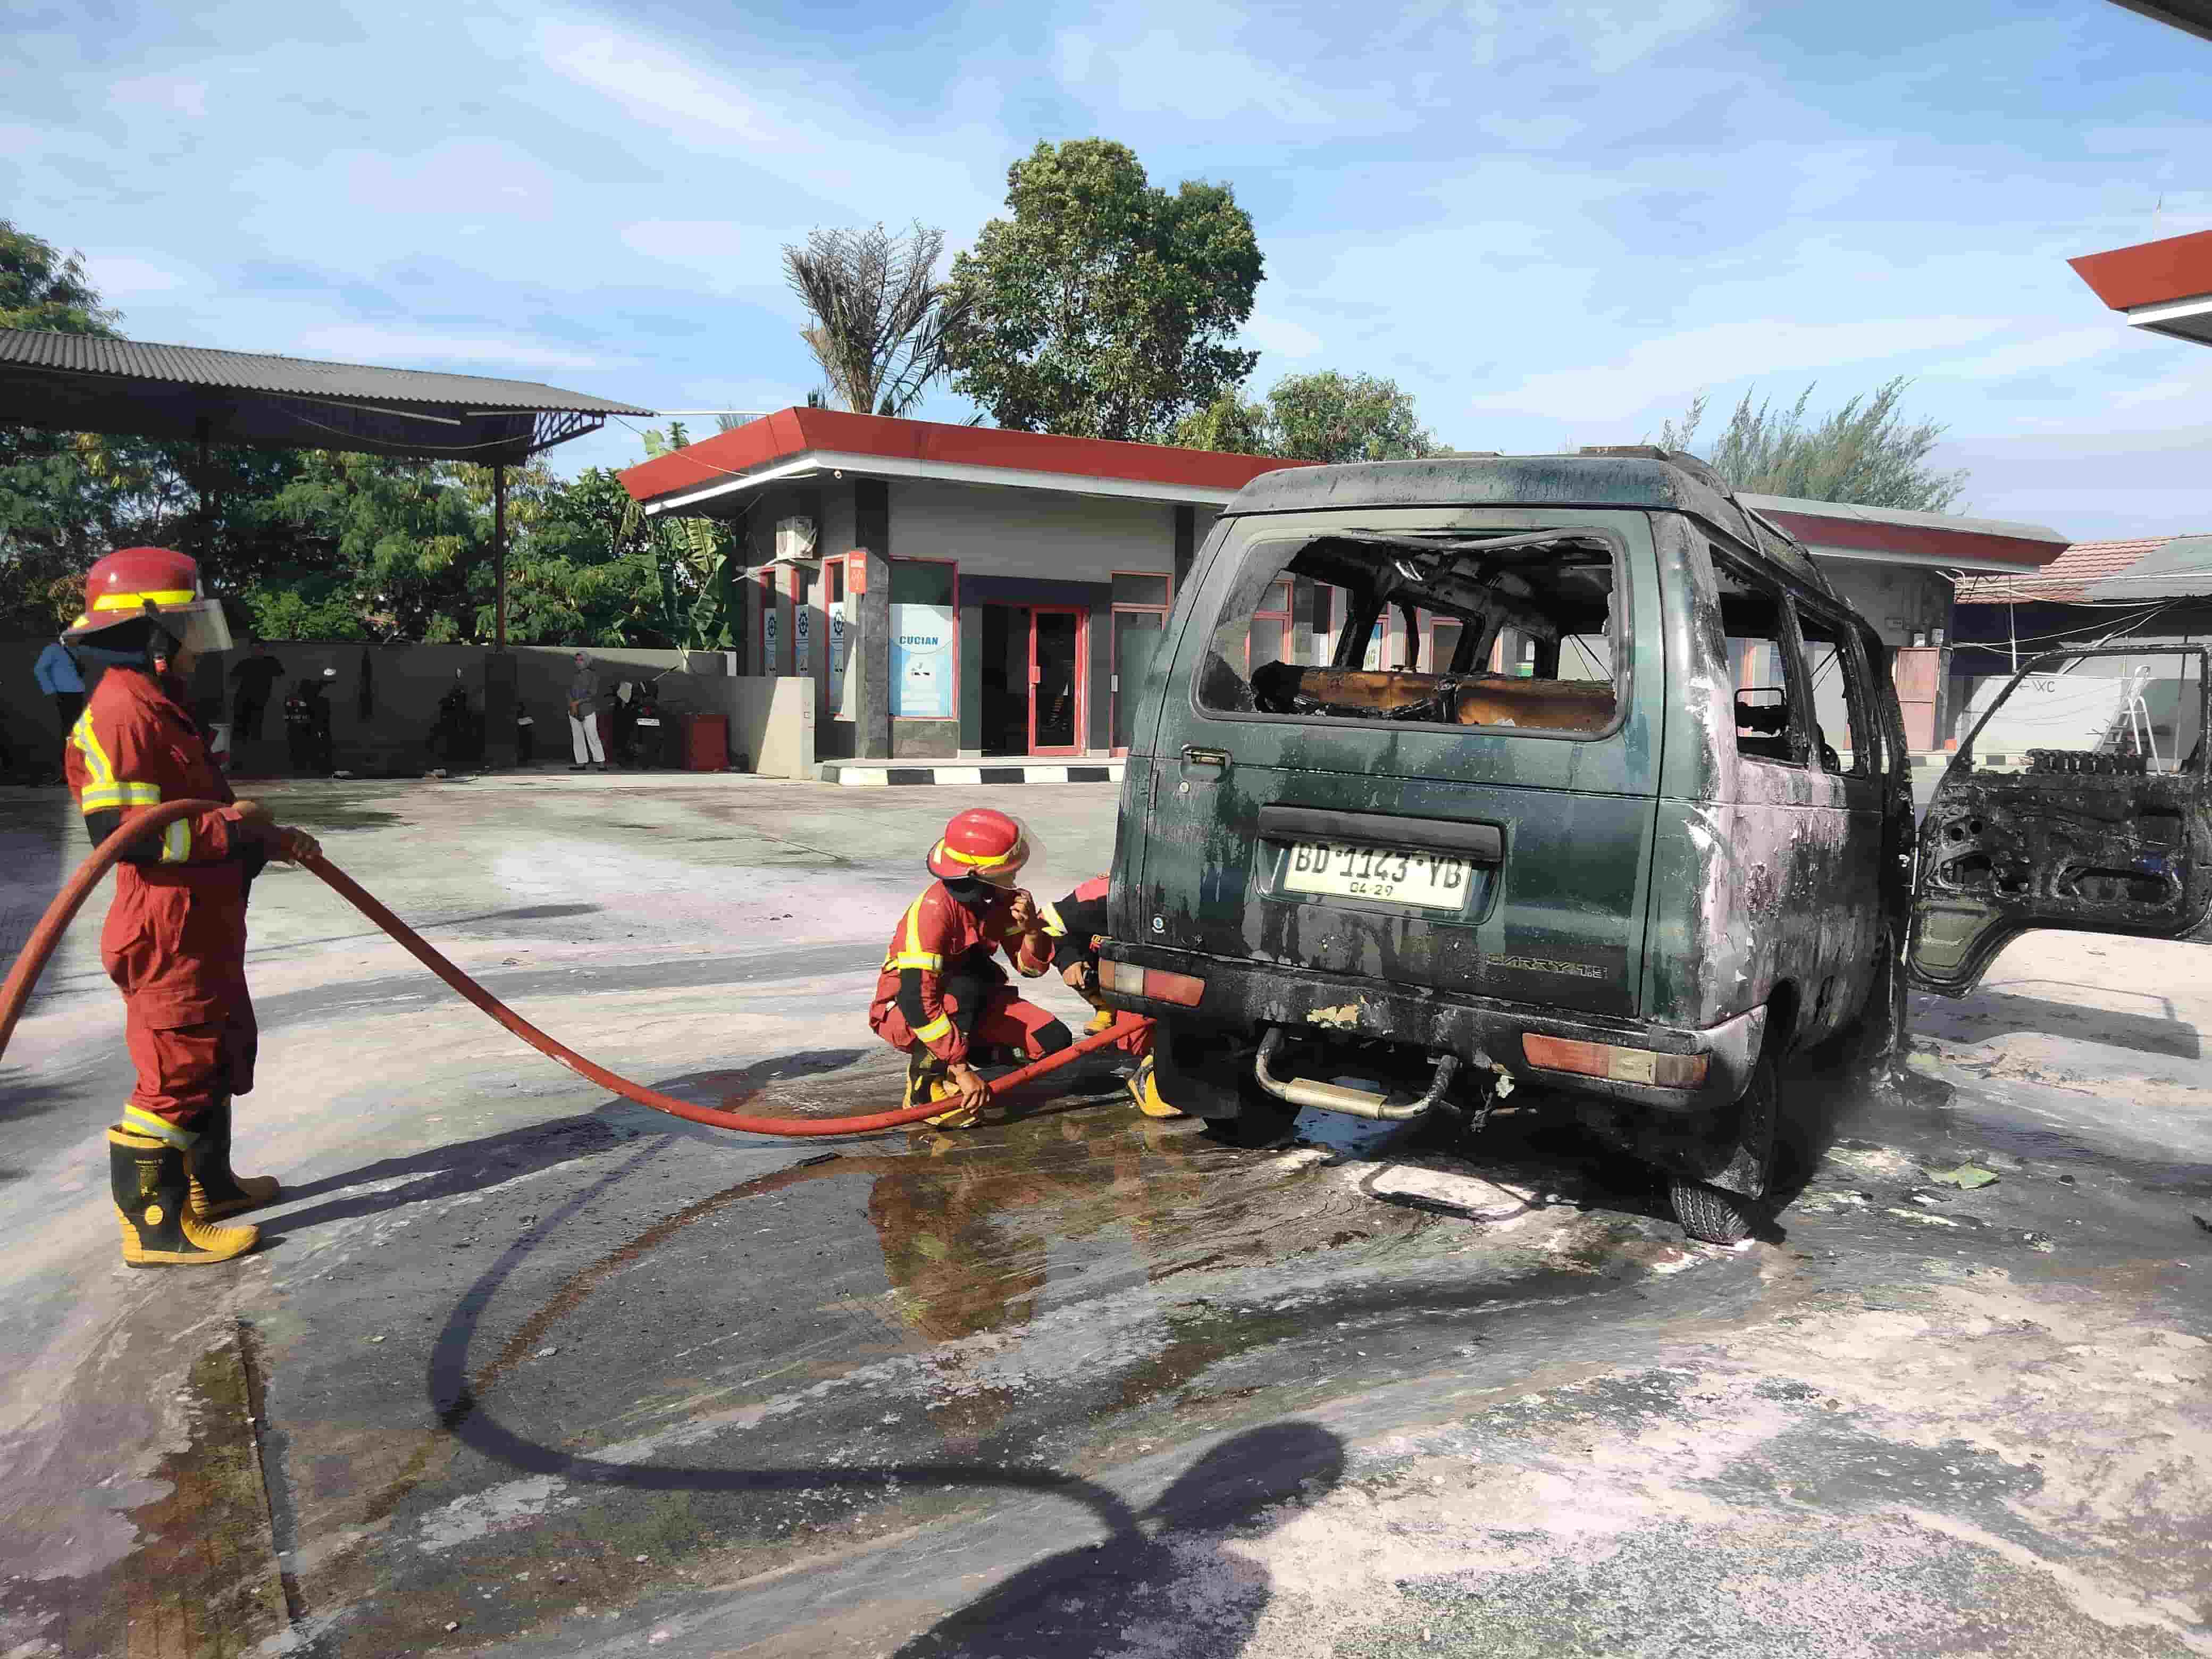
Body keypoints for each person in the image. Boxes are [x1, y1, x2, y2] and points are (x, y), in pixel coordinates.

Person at [58, 546, 321, 1268]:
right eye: (188, 631)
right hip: (167, 926)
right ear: (151, 634)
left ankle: (211, 1187)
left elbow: (201, 816)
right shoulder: (122, 714)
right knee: (176, 1064)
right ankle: (155, 1227)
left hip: (203, 919)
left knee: (214, 1049)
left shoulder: (160, 708)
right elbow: (125, 837)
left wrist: (263, 840)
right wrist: (235, 827)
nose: (198, 649)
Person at [868, 808, 1068, 1129]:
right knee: (964, 990)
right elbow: (917, 1002)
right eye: (1008, 870)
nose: (1014, 877)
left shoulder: (999, 900)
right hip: (911, 1010)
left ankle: (961, 1058)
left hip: (971, 1002)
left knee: (1052, 1040)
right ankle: (923, 1087)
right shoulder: (932, 914)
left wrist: (1032, 929)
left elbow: (1030, 970)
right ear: (978, 876)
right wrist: (962, 1069)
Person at [1036, 875, 1177, 1117]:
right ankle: (1107, 1008)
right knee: (1132, 1039)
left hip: (1164, 979)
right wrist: (1068, 960)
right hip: (1126, 978)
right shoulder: (1100, 895)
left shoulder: (1193, 895)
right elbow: (1046, 924)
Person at [32, 636, 86, 783]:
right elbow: (39, 669)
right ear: (66, 636)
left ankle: (78, 770)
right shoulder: (54, 649)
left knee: (78, 732)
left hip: (78, 695)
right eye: (76, 634)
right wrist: (51, 691)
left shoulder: (76, 651)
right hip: (64, 695)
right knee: (68, 733)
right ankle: (65, 771)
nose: (79, 637)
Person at [227, 637, 284, 742]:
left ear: (264, 649)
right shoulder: (245, 663)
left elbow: (282, 678)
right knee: (240, 729)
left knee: (255, 728)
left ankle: (253, 749)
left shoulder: (271, 662)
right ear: (250, 649)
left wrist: (277, 699)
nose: (256, 651)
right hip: (242, 700)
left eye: (259, 648)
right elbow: (232, 680)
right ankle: (241, 750)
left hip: (260, 700)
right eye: (253, 648)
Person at [284, 671, 336, 775]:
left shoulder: (321, 702)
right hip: (303, 734)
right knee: (302, 759)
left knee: (309, 758)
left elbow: (324, 724)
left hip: (311, 733)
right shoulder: (299, 702)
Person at [566, 652, 607, 772]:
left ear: (587, 661)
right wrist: (572, 705)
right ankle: (581, 763)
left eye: (581, 660)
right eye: (577, 660)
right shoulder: (573, 676)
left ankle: (601, 763)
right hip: (573, 711)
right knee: (578, 737)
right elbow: (568, 692)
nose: (579, 662)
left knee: (593, 736)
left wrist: (576, 703)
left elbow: (592, 694)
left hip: (588, 710)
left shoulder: (593, 676)